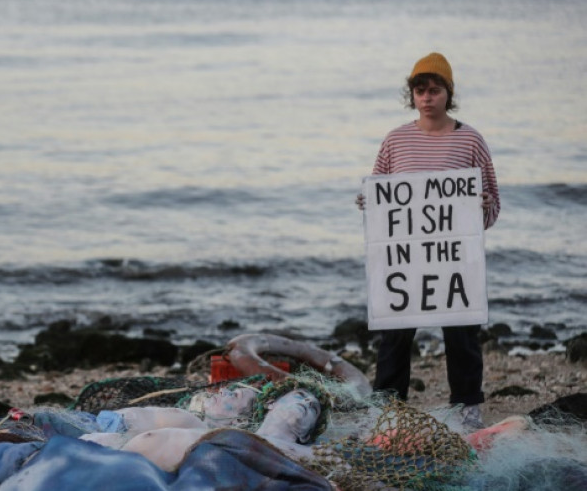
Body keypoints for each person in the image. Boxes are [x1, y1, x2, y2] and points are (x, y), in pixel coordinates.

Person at [356, 52, 500, 430]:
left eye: (434, 90)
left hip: (455, 258)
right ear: (412, 95)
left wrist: (483, 205)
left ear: (447, 94)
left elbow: (493, 203)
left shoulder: (470, 140)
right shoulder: (395, 140)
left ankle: (467, 405)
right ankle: (388, 407)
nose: (427, 97)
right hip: (406, 259)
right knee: (395, 334)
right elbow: (383, 197)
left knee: (462, 331)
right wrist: (368, 204)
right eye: (420, 90)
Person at [80, 377, 332, 472]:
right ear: (272, 404)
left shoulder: (294, 452)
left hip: (117, 464)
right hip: (101, 447)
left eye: (312, 408)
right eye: (300, 397)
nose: (306, 405)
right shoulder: (194, 424)